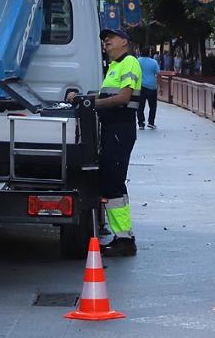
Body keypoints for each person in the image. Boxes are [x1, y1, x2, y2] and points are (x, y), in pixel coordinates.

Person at [69, 28, 141, 257]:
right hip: (112, 130)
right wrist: (82, 99)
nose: (106, 41)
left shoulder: (129, 62)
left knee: (112, 183)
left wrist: (91, 105)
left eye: (111, 37)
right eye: (103, 39)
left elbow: (123, 98)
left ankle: (124, 240)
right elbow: (103, 97)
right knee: (113, 182)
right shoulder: (113, 67)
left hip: (120, 129)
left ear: (125, 42)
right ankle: (123, 235)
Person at [136, 49, 160, 129]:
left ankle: (141, 123)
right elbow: (158, 74)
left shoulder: (138, 61)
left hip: (141, 86)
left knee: (140, 106)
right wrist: (160, 86)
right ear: (149, 53)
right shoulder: (154, 62)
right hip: (152, 87)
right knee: (153, 106)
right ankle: (151, 122)